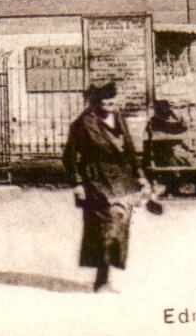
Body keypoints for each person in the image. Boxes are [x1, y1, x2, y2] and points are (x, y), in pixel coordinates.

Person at [63, 81, 147, 292]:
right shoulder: (82, 124)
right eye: (105, 102)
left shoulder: (118, 118)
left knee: (119, 226)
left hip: (120, 179)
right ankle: (100, 281)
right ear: (95, 103)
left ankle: (105, 277)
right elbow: (69, 156)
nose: (110, 105)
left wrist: (139, 175)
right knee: (103, 227)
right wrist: (77, 184)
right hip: (96, 179)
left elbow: (128, 149)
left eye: (112, 101)